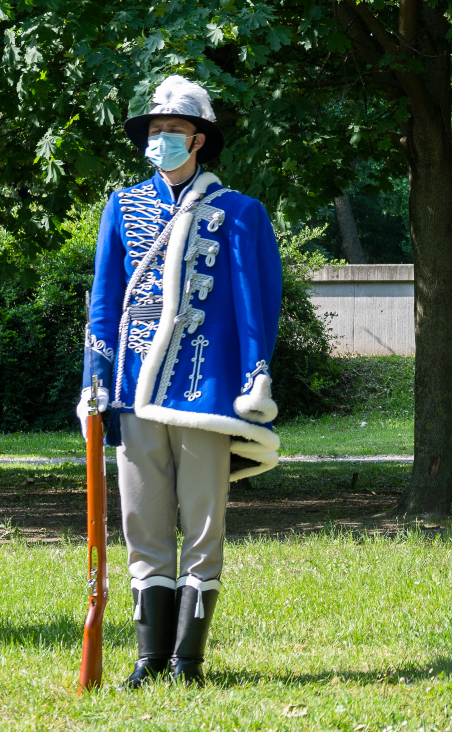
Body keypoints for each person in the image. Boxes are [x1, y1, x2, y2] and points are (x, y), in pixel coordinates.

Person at [80, 74, 284, 688]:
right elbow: (103, 301)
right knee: (142, 521)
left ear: (198, 139)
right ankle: (148, 659)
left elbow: (257, 303)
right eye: (153, 131)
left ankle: (187, 663)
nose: (159, 140)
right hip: (133, 388)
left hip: (208, 390)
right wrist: (95, 378)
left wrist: (257, 376)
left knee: (201, 522)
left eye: (171, 131)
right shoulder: (121, 207)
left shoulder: (241, 213)